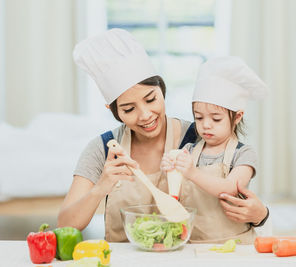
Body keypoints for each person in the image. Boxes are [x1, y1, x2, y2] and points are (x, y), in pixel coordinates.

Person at [57, 28, 268, 242]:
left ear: (162, 89)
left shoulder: (201, 138)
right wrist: (101, 187)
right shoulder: (102, 148)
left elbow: (231, 194)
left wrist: (260, 215)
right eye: (129, 109)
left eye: (151, 100)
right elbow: (65, 224)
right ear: (114, 111)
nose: (145, 115)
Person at [161, 57, 268, 244]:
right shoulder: (188, 150)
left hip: (234, 244)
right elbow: (173, 190)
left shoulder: (243, 154)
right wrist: (169, 168)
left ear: (237, 117)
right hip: (192, 241)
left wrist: (192, 172)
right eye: (199, 117)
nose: (206, 125)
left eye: (216, 119)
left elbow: (229, 188)